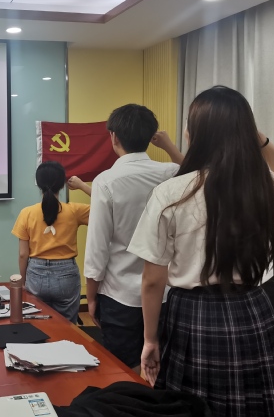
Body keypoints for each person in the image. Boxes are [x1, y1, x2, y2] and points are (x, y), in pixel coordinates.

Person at [128, 86, 274, 416]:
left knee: (191, 405)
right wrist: (259, 139)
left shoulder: (171, 192)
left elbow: (152, 280)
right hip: (252, 309)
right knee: (252, 403)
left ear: (194, 133)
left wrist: (150, 340)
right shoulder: (266, 187)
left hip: (193, 313)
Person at [82, 104, 183, 372]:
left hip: (119, 295)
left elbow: (97, 247)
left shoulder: (106, 181)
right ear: (151, 137)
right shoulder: (172, 173)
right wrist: (170, 147)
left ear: (113, 137)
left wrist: (91, 297)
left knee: (122, 371)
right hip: (165, 293)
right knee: (162, 368)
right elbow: (196, 171)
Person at [12, 161, 91, 323]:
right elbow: (109, 205)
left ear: (38, 184)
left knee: (38, 326)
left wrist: (24, 280)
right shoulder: (74, 211)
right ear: (62, 184)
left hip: (36, 274)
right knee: (67, 327)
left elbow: (23, 254)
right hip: (66, 275)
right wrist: (82, 186)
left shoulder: (27, 213)